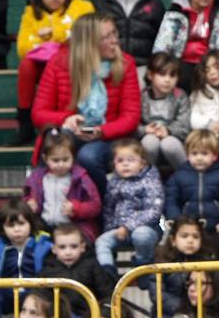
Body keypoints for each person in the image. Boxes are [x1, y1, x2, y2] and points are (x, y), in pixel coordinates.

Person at [31, 13, 141, 194]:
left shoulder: (125, 63)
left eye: (115, 34)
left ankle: (103, 208)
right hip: (71, 133)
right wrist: (67, 119)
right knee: (53, 146)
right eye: (107, 37)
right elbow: (39, 113)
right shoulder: (58, 63)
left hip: (109, 137)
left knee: (88, 156)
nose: (115, 41)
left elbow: (131, 117)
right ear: (89, 43)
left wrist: (101, 131)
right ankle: (42, 206)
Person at [14, 0, 93, 131]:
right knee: (26, 64)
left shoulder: (82, 7)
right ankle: (25, 120)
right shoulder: (30, 14)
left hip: (73, 65)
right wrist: (60, 39)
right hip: (45, 69)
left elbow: (83, 36)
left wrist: (51, 35)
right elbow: (23, 48)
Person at [164, 129, 219, 253]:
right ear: (187, 155)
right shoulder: (179, 176)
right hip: (188, 228)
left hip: (216, 227)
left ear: (214, 155)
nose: (199, 158)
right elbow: (171, 200)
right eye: (194, 153)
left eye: (204, 153)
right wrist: (176, 219)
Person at [95, 137, 163, 272]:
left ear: (142, 163)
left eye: (130, 160)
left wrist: (128, 227)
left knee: (141, 235)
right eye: (120, 161)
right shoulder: (113, 183)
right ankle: (108, 274)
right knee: (102, 242)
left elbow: (154, 211)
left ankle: (143, 267)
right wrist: (110, 229)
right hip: (119, 230)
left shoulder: (150, 181)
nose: (125, 164)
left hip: (147, 229)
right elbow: (109, 209)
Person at [24, 127, 99, 242]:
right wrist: (30, 202)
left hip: (72, 227)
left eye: (65, 160)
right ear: (45, 159)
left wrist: (77, 208)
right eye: (55, 160)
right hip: (45, 226)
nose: (61, 164)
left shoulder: (81, 179)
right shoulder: (36, 178)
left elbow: (95, 206)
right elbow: (27, 196)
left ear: (73, 157)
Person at [0, 199, 50, 318]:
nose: (17, 229)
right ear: (2, 228)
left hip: (34, 291)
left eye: (21, 223)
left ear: (31, 223)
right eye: (11, 225)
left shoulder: (42, 244)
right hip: (6, 293)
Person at [136, 53, 189, 170]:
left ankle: (188, 176)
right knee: (150, 142)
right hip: (148, 138)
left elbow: (184, 125)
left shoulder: (180, 96)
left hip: (173, 139)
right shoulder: (142, 96)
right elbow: (133, 124)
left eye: (172, 76)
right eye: (162, 74)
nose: (167, 80)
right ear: (150, 75)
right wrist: (145, 130)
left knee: (169, 144)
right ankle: (147, 177)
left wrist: (168, 130)